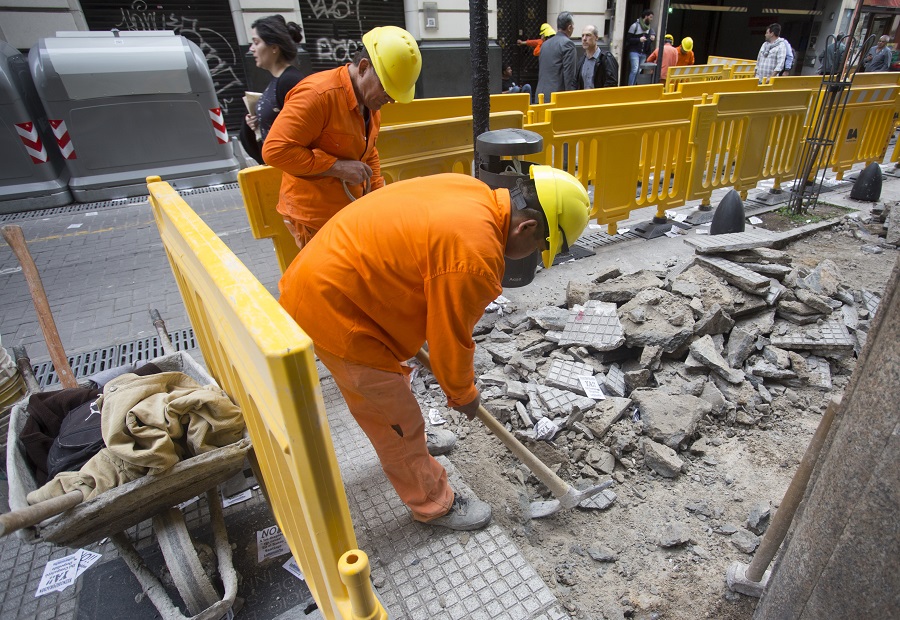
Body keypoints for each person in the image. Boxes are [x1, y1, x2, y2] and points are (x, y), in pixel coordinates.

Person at [278, 167, 591, 531]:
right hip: (334, 313)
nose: (532, 256)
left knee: (397, 394)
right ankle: (433, 504)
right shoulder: (476, 256)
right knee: (394, 418)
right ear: (528, 227)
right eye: (539, 248)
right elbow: (450, 340)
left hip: (340, 280)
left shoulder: (473, 191)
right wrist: (464, 394)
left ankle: (418, 445)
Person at [263, 26, 421, 250]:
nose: (391, 100)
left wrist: (378, 197)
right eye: (387, 90)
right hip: (314, 221)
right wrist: (336, 167)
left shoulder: (370, 102)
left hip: (346, 215)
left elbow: (369, 153)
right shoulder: (317, 95)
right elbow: (275, 151)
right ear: (364, 68)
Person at [239, 16, 306, 165]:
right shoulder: (279, 80)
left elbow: (303, 132)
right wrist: (256, 122)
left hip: (291, 171)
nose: (251, 48)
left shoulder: (290, 82)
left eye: (256, 42)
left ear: (274, 47)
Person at [536, 11, 578, 102]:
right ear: (569, 27)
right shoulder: (568, 44)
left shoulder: (545, 45)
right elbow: (569, 76)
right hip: (556, 98)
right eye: (573, 26)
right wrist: (571, 99)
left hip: (540, 95)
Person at [625, 9, 656, 85]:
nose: (651, 19)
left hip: (643, 53)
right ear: (646, 16)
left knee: (639, 70)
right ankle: (630, 87)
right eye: (650, 17)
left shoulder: (649, 28)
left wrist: (651, 38)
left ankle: (634, 85)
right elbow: (628, 39)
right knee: (635, 69)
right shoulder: (634, 26)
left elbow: (650, 39)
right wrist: (639, 39)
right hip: (634, 51)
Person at [576, 25, 602, 89]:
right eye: (582, 36)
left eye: (588, 35)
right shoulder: (581, 61)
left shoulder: (605, 59)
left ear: (596, 37)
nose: (584, 39)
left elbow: (611, 85)